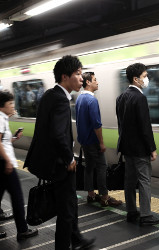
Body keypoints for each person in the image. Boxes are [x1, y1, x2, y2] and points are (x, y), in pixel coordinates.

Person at [24, 55, 95, 250]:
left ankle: (77, 238)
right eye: (78, 74)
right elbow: (57, 133)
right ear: (65, 77)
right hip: (61, 164)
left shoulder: (50, 94)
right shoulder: (61, 100)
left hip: (49, 162)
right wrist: (68, 158)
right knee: (66, 211)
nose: (82, 78)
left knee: (70, 202)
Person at [116, 63, 159, 226]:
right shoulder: (140, 98)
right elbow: (145, 126)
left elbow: (121, 125)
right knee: (144, 180)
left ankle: (131, 211)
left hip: (126, 148)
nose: (147, 79)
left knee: (129, 181)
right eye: (144, 76)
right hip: (140, 149)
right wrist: (152, 148)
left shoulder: (121, 97)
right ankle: (146, 215)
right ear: (136, 79)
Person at [75, 72, 122, 207]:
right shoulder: (92, 100)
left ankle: (90, 194)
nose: (97, 82)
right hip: (93, 141)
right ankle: (105, 197)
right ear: (88, 82)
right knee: (102, 166)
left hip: (83, 140)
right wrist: (101, 142)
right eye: (95, 80)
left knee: (89, 167)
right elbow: (96, 124)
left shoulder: (79, 99)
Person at [0, 90, 38, 240]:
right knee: (17, 197)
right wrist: (8, 161)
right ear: (2, 106)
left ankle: (22, 229)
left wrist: (14, 138)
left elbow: (3, 142)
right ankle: (22, 230)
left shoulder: (3, 118)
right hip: (4, 163)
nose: (12, 106)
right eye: (10, 103)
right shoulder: (1, 119)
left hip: (3, 163)